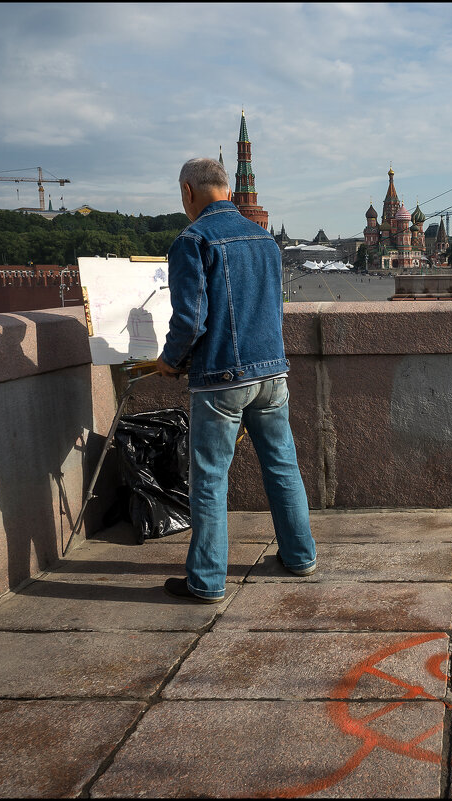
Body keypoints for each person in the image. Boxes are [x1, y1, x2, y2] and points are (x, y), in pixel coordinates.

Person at [156, 157, 316, 603]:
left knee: (209, 479)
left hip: (221, 378)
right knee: (283, 467)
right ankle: (300, 556)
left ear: (188, 192)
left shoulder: (193, 239)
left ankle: (206, 581)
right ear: (226, 189)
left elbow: (190, 320)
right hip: (272, 373)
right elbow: (273, 310)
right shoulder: (266, 239)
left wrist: (170, 360)